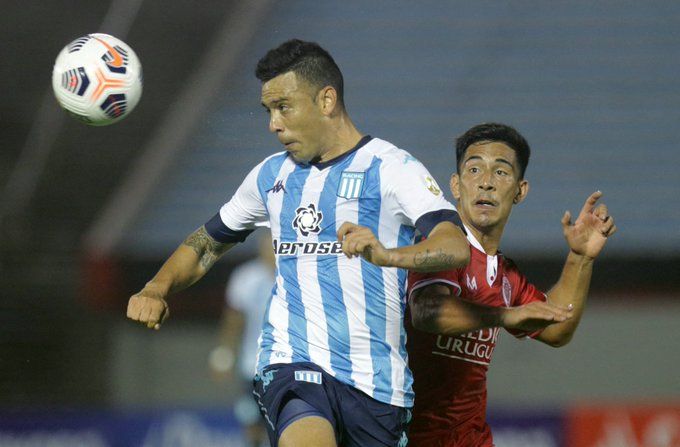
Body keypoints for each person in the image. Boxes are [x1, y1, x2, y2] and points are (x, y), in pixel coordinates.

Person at [127, 39, 471, 447]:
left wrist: (387, 255)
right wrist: (156, 286)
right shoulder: (270, 177)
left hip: (377, 385)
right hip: (291, 365)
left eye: (284, 107)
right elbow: (206, 244)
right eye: (268, 111)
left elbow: (455, 245)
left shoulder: (392, 168)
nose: (273, 123)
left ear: (327, 100)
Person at [405, 123, 617, 447]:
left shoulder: (504, 275)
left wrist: (580, 258)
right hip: (407, 437)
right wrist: (503, 316)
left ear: (520, 191)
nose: (486, 183)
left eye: (501, 172)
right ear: (456, 186)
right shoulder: (439, 244)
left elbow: (557, 327)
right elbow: (427, 311)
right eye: (474, 169)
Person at [209, 232, 275, 447]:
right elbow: (233, 320)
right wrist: (223, 354)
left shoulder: (296, 276)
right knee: (252, 425)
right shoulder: (246, 277)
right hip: (252, 366)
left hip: (289, 364)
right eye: (266, 245)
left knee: (285, 424)